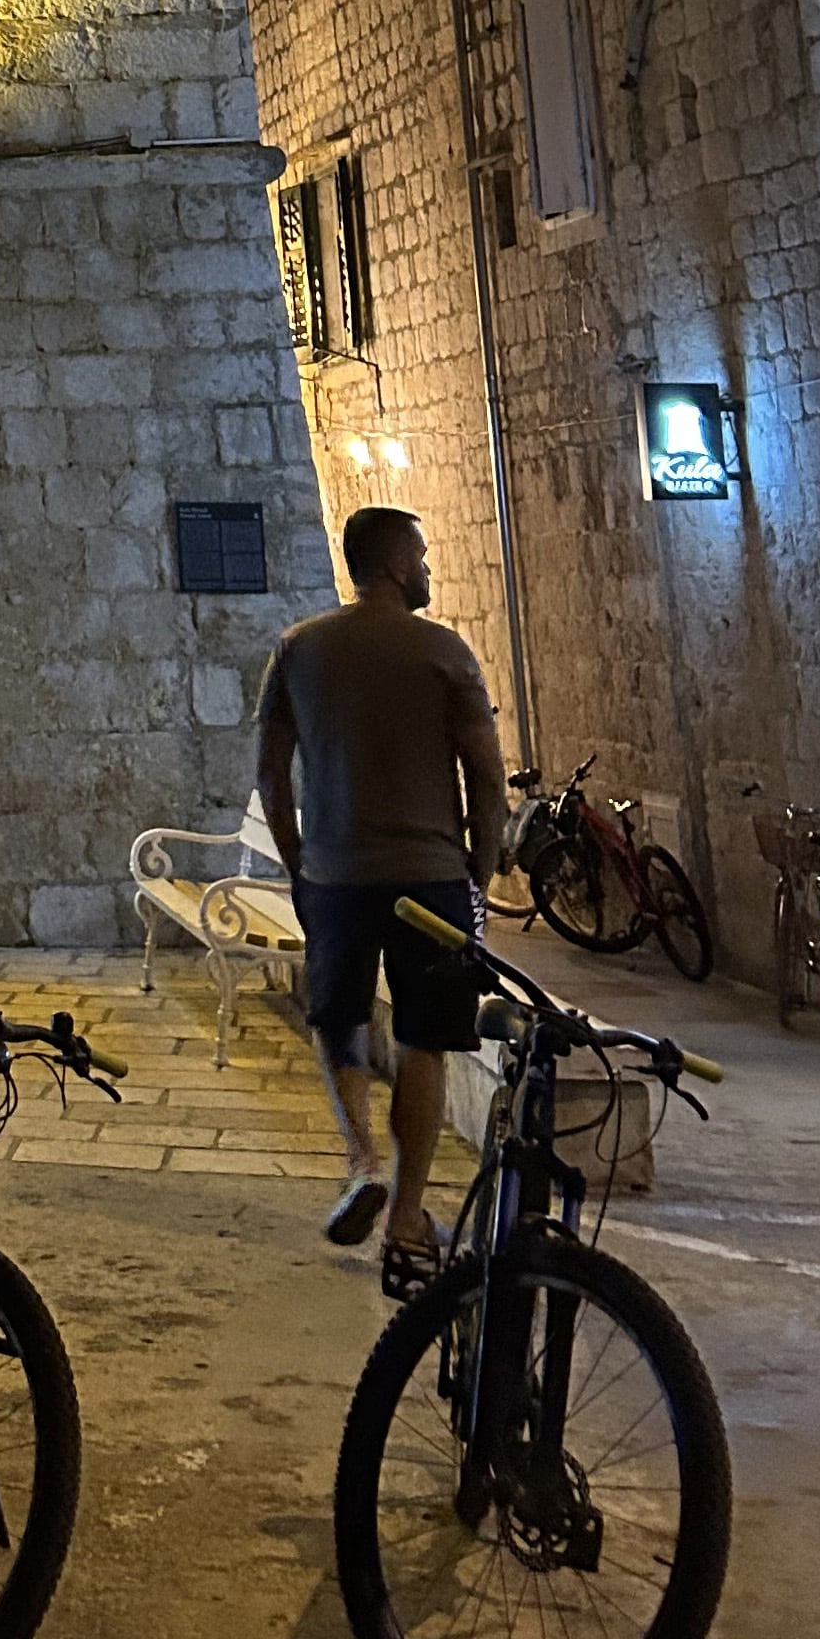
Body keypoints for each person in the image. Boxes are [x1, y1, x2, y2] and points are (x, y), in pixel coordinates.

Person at [255, 502, 509, 1289]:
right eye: (422, 557)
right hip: (430, 877)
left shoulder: (298, 649)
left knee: (338, 1018)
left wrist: (301, 862)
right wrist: (479, 875)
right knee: (425, 1041)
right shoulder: (444, 653)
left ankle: (361, 1159)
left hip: (336, 876)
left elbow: (272, 773)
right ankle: (406, 1213)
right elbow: (487, 779)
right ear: (397, 564)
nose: (427, 569)